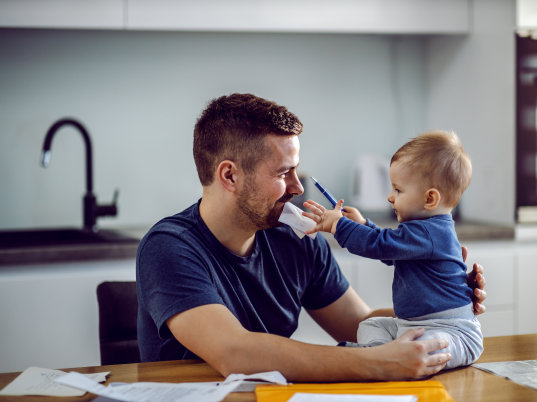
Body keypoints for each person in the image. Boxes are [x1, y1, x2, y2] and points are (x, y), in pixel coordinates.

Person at [136, 93, 486, 382]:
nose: (298, 187)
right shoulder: (169, 247)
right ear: (229, 175)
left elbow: (357, 323)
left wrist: (442, 303)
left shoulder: (297, 240)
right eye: (283, 173)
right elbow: (235, 353)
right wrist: (378, 362)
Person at [302, 131, 483, 369]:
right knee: (371, 325)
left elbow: (382, 244)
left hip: (453, 331)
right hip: (412, 325)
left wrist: (339, 225)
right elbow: (390, 248)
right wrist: (364, 226)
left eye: (398, 190)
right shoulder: (420, 232)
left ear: (430, 199)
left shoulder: (429, 233)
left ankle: (392, 355)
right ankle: (375, 354)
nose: (389, 197)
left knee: (431, 344)